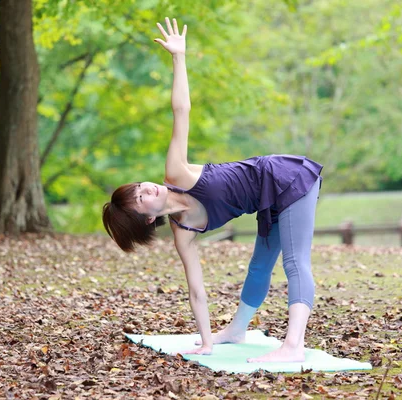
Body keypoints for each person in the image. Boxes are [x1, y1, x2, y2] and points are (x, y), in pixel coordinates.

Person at [102, 17, 323, 363]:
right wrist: (205, 343)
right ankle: (235, 330)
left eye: (140, 186)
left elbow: (181, 110)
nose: (147, 189)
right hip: (267, 200)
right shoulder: (183, 233)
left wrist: (179, 57)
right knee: (259, 265)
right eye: (141, 198)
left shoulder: (176, 172)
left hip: (289, 178)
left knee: (295, 261)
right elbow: (196, 291)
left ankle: (293, 346)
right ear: (145, 220)